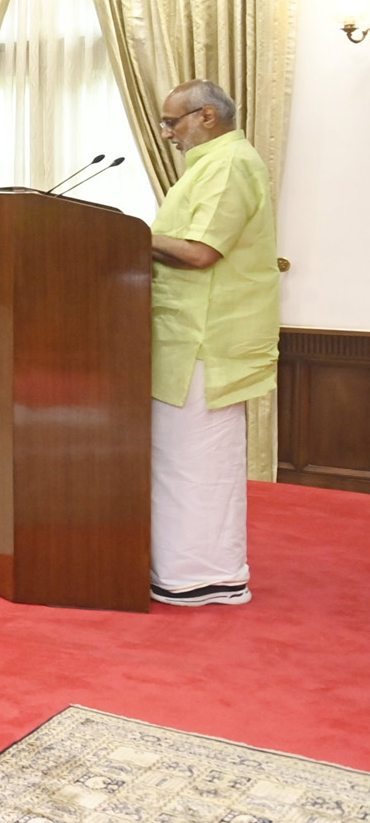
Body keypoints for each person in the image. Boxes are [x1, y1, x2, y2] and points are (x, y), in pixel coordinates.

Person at [146, 80, 279, 608]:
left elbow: (202, 253)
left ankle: (207, 576)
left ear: (206, 116)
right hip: (183, 337)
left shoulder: (229, 164)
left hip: (210, 340)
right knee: (176, 460)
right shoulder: (205, 165)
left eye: (172, 122)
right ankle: (179, 568)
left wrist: (129, 232)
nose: (167, 134)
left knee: (198, 462)